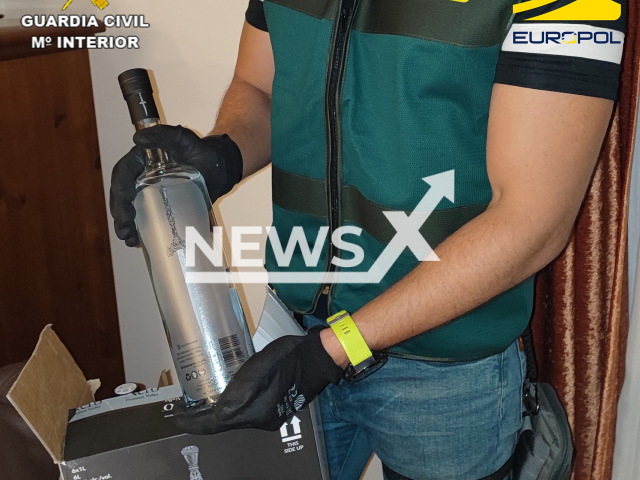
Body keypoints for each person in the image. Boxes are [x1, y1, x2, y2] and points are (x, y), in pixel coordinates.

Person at [110, 1, 627, 479]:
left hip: (443, 371)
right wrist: (217, 158)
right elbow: (261, 87)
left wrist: (333, 351)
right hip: (291, 333)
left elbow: (532, 222)